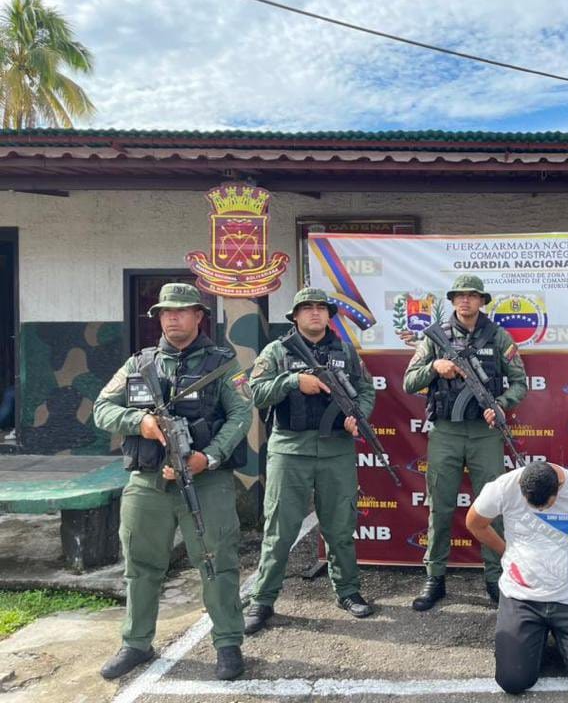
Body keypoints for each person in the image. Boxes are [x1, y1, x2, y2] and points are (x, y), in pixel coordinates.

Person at [93, 283, 252, 680]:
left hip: (206, 481)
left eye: (181, 311)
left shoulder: (223, 364)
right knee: (141, 564)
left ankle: (228, 643)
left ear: (199, 316)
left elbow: (241, 415)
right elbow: (102, 409)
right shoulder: (138, 364)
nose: (172, 317)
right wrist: (139, 422)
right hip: (147, 483)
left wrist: (209, 457)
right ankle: (136, 643)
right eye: (165, 312)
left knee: (217, 560)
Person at [244, 288, 377, 634]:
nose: (315, 313)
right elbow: (254, 391)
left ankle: (348, 591)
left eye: (321, 308)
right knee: (279, 528)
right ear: (296, 316)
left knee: (340, 526)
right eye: (308, 308)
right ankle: (263, 599)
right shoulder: (277, 351)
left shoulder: (346, 352)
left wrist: (357, 415)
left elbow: (366, 390)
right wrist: (292, 381)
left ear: (328, 315)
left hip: (336, 449)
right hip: (290, 449)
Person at [402, 275, 528, 610]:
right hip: (446, 432)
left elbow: (520, 382)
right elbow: (409, 381)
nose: (465, 302)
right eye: (459, 296)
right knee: (440, 505)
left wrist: (501, 404)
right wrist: (434, 367)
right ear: (454, 300)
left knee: (491, 506)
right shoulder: (435, 337)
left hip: (485, 434)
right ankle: (435, 576)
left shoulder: (499, 337)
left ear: (481, 301)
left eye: (472, 296)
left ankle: (494, 576)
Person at [466, 461, 568, 696]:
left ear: (558, 491)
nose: (540, 510)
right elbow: (474, 522)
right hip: (521, 597)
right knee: (513, 681)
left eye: (546, 505)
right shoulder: (504, 486)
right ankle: (533, 638)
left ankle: (552, 636)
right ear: (521, 487)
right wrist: (506, 551)